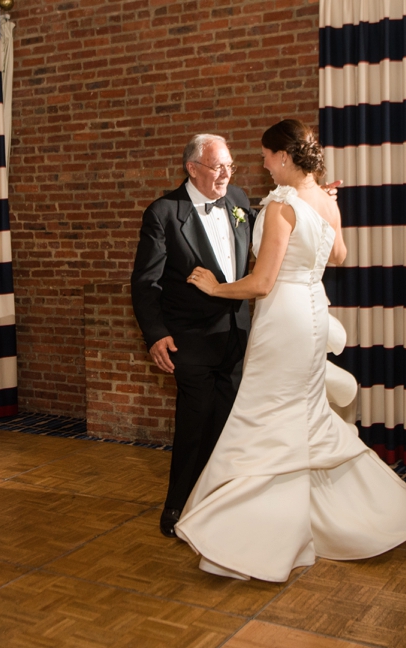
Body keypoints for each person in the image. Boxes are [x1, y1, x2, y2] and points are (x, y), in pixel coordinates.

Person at [174, 119, 406, 582]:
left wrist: (215, 287)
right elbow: (340, 256)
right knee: (298, 417)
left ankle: (253, 541)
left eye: (267, 156)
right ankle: (333, 520)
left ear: (285, 156)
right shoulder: (323, 202)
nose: (264, 164)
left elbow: (263, 281)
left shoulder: (282, 204)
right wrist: (327, 208)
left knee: (263, 419)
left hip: (283, 318)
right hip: (312, 313)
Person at [130, 135, 254, 538]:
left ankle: (219, 502)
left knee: (229, 425)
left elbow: (276, 232)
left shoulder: (238, 200)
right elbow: (145, 282)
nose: (226, 174)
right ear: (193, 168)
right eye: (218, 167)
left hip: (237, 338)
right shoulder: (164, 213)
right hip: (191, 342)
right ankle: (178, 505)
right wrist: (155, 334)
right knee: (194, 423)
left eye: (230, 166)